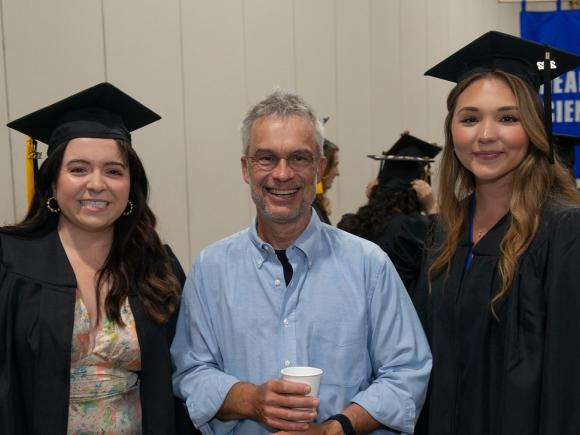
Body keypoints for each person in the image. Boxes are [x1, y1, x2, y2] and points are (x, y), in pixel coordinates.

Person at [171, 89, 431, 434]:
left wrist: (335, 429)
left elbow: (406, 372)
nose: (282, 174)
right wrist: (251, 400)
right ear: (246, 168)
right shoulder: (211, 270)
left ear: (319, 168)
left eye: (298, 158)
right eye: (266, 158)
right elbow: (191, 372)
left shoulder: (368, 266)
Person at [0, 83, 196, 434]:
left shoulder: (156, 266)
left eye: (113, 171)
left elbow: (182, 376)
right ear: (53, 183)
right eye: (78, 169)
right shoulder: (9, 261)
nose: (96, 183)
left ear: (130, 186)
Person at [414, 31, 580, 434]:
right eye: (469, 118)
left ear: (535, 129)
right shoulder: (443, 236)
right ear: (452, 132)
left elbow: (568, 382)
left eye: (508, 118)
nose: (486, 135)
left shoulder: (564, 231)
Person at [337, 133, 440, 292]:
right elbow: (441, 265)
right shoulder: (413, 227)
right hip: (398, 312)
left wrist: (373, 200)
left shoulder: (350, 224)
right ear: (418, 189)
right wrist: (433, 209)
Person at [312, 138, 340, 224]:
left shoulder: (316, 205)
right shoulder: (311, 209)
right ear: (322, 167)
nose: (337, 173)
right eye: (334, 165)